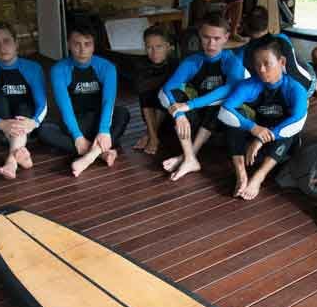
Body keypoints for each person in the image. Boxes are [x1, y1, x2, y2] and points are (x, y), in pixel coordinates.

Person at [172, 37, 307, 199]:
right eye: (258, 65)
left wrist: (261, 139)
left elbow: (297, 121)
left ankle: (258, 177)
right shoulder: (250, 84)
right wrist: (253, 128)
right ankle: (241, 174)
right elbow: (225, 110)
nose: (262, 70)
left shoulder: (295, 89)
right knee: (232, 120)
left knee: (289, 132)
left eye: (267, 64)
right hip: (254, 140)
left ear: (282, 62)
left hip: (279, 146)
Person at [158, 13, 247, 181]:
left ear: (226, 38)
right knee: (174, 96)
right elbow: (167, 89)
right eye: (206, 37)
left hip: (222, 123)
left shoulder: (232, 61)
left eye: (216, 38)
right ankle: (189, 158)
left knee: (221, 103)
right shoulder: (193, 61)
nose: (211, 43)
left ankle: (187, 156)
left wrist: (189, 105)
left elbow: (230, 89)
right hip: (198, 120)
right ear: (200, 36)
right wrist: (179, 114)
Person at [42, 23, 130, 176]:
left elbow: (108, 102)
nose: (82, 50)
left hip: (98, 120)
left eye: (87, 44)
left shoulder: (107, 67)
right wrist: (77, 136)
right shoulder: (59, 69)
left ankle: (89, 156)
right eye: (77, 44)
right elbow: (65, 106)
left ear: (94, 46)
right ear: (69, 45)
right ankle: (101, 152)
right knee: (44, 130)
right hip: (74, 122)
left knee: (122, 113)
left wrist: (103, 131)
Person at [0, 21, 48, 180]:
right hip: (0, 126)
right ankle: (19, 153)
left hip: (26, 123)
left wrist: (34, 122)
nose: (2, 47)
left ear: (16, 42)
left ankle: (11, 161)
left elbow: (42, 103)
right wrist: (0, 123)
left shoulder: (33, 68)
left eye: (6, 41)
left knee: (24, 105)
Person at [236, 5, 317, 97]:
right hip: (307, 86)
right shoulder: (282, 39)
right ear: (267, 23)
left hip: (283, 96)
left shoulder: (245, 51)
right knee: (296, 58)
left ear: (246, 26)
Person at [132, 25, 178, 156]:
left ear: (168, 47)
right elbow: (143, 94)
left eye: (159, 47)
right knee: (145, 93)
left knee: (165, 91)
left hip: (172, 116)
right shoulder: (141, 64)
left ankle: (151, 136)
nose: (154, 52)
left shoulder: (175, 63)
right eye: (149, 47)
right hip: (150, 117)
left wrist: (150, 135)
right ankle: (153, 136)